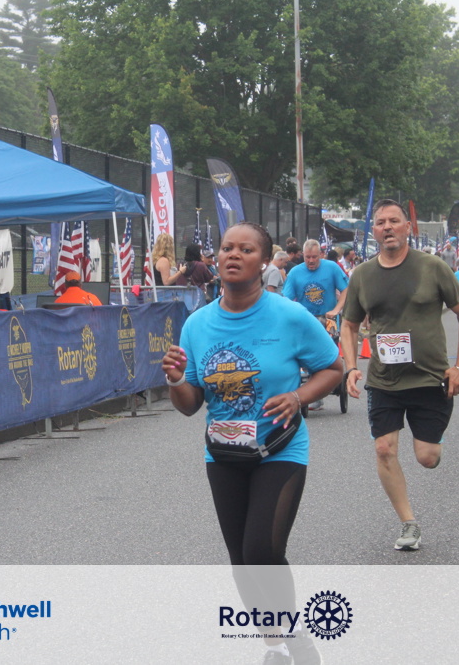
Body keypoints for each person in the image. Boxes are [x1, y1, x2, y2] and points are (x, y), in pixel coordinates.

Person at [162, 222, 341, 665]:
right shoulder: (197, 325)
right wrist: (176, 380)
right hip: (223, 454)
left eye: (246, 249)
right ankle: (274, 644)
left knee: (262, 549)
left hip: (280, 448)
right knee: (241, 558)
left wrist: (298, 397)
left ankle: (296, 637)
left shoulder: (289, 316)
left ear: (264, 262)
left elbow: (333, 369)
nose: (233, 255)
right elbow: (190, 405)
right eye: (227, 248)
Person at [340, 199, 459, 552]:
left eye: (394, 221)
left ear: (407, 227)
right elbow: (349, 325)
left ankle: (431, 443)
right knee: (384, 449)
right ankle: (408, 523)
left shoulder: (432, 267)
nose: (387, 227)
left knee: (427, 458)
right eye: (380, 222)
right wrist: (351, 367)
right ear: (373, 231)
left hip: (429, 378)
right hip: (384, 380)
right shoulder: (362, 275)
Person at [283, 239, 349, 411]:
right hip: (306, 318)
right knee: (305, 351)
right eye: (307, 257)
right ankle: (310, 385)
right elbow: (286, 299)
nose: (311, 261)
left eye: (314, 257)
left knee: (328, 350)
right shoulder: (295, 272)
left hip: (328, 317)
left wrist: (337, 309)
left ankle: (326, 381)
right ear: (303, 256)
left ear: (321, 255)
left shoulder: (332, 268)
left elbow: (346, 289)